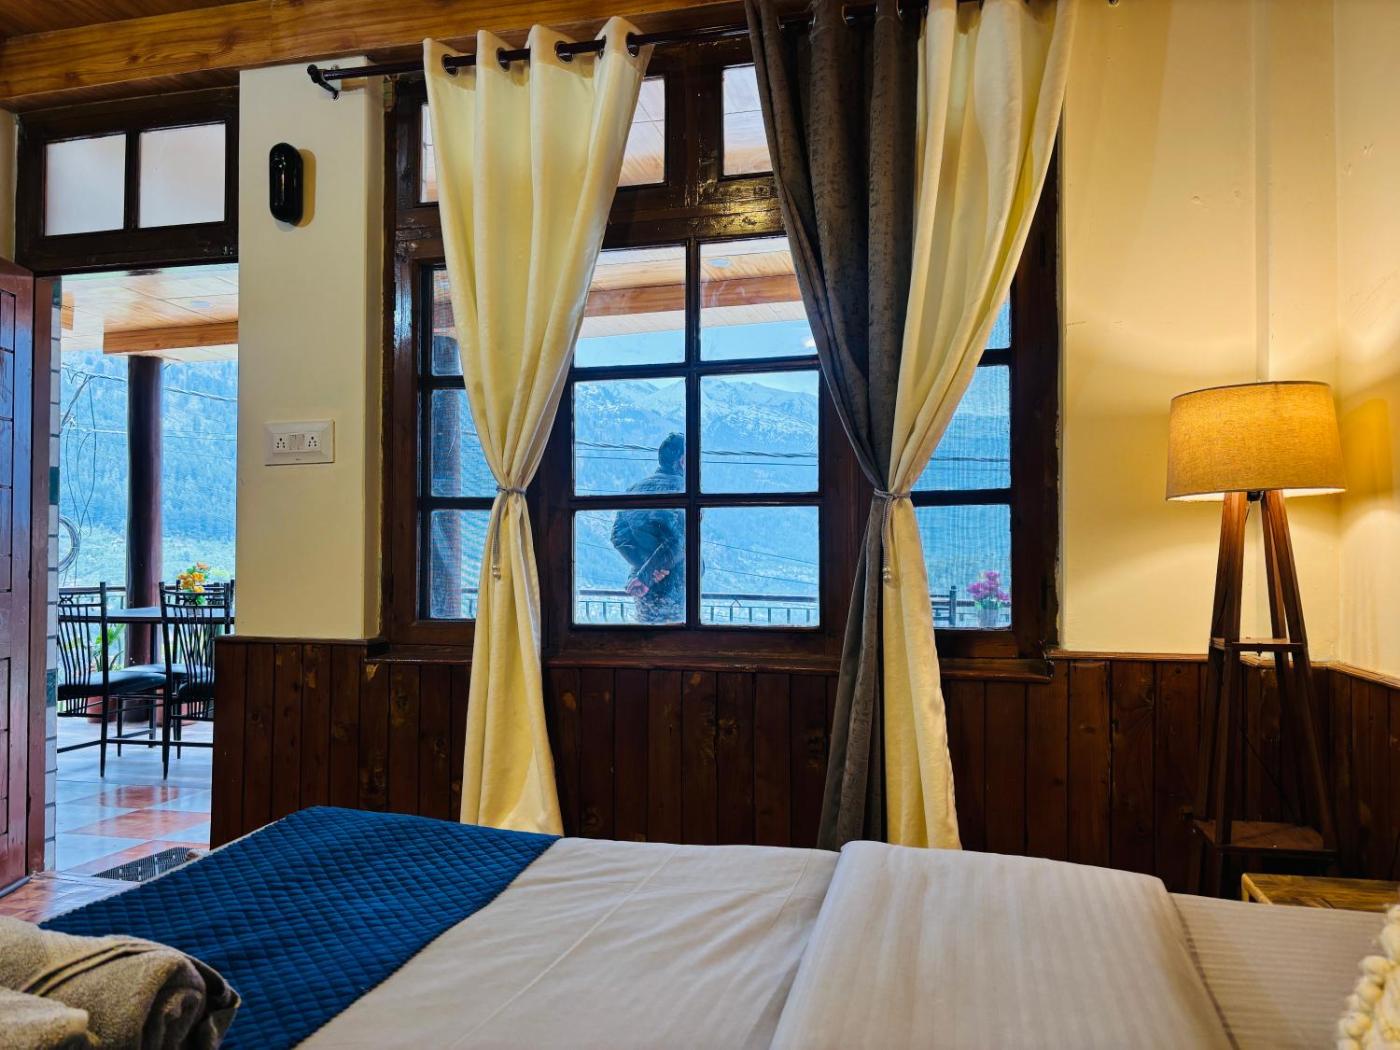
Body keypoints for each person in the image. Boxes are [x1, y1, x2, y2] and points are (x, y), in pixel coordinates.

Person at [610, 433, 685, 624]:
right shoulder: (685, 489)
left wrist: (646, 569)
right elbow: (680, 542)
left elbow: (618, 537)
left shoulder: (634, 489)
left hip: (642, 588)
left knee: (645, 636)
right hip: (674, 585)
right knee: (677, 639)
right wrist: (649, 573)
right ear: (683, 461)